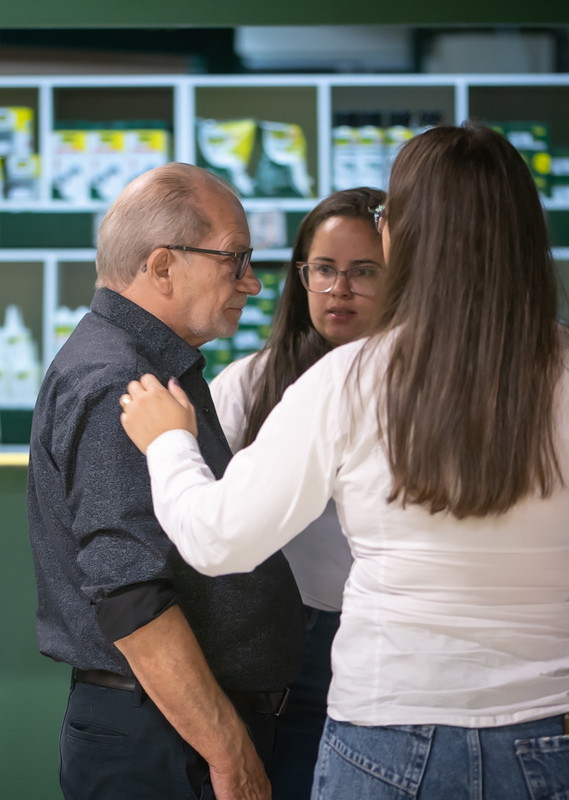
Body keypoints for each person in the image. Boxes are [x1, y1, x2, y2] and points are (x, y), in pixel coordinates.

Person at [118, 124, 569, 799]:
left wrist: (168, 442)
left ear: (402, 236)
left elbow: (217, 540)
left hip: (388, 737)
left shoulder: (347, 381)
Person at [27, 162, 306, 800]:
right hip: (169, 744)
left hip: (172, 734)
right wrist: (230, 754)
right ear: (161, 267)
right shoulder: (120, 383)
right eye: (234, 259)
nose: (252, 282)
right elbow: (132, 600)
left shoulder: (150, 366)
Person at [209, 187, 385, 800]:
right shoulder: (251, 383)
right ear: (300, 276)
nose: (340, 290)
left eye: (364, 271)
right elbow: (203, 524)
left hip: (398, 641)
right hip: (289, 649)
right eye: (324, 269)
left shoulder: (430, 391)